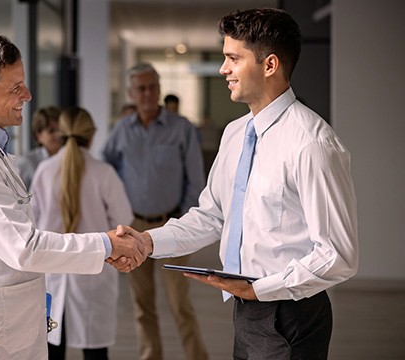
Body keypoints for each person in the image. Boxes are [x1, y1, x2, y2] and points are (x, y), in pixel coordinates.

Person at [111, 8, 359, 359]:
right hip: (247, 309)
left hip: (291, 313)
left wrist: (260, 289)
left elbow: (338, 255)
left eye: (232, 58)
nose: (223, 69)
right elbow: (211, 217)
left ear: (269, 65)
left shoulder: (312, 143)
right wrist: (147, 241)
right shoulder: (236, 133)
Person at [0, 31, 147, 359]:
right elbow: (25, 248)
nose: (27, 95)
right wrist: (108, 244)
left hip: (9, 326)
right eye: (15, 88)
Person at [103, 63, 208, 360]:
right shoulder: (121, 130)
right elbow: (105, 169)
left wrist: (186, 221)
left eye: (152, 87)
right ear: (131, 93)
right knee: (142, 304)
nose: (147, 94)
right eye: (141, 89)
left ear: (159, 90)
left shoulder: (182, 128)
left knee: (180, 304)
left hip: (171, 225)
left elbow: (195, 180)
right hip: (133, 227)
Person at [31, 107, 134, 360]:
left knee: (52, 348)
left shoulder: (44, 170)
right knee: (95, 352)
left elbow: (31, 221)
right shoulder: (104, 173)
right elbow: (124, 222)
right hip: (94, 275)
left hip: (52, 274)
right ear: (91, 136)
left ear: (61, 134)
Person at [16, 106, 62, 189]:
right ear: (38, 136)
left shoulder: (70, 159)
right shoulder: (26, 162)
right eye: (51, 131)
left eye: (61, 130)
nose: (58, 135)